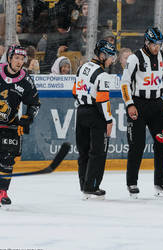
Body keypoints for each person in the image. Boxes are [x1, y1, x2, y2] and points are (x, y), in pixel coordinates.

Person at [0, 44, 40, 208]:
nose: (19, 62)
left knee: (7, 159)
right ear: (10, 58)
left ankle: (2, 193)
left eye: (22, 59)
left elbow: (34, 104)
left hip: (9, 125)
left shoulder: (26, 81)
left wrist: (26, 119)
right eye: (16, 58)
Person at [120, 27, 163, 198]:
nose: (157, 47)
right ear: (146, 42)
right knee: (137, 145)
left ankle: (160, 183)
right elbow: (125, 83)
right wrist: (129, 104)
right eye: (154, 44)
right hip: (138, 104)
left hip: (157, 104)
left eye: (160, 44)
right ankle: (132, 183)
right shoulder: (135, 58)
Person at [72, 39, 117, 199]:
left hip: (81, 112)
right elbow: (103, 100)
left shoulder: (81, 67)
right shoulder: (102, 75)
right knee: (98, 152)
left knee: (83, 151)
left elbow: (74, 92)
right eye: (111, 56)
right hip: (96, 115)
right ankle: (92, 186)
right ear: (103, 55)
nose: (113, 59)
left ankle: (84, 184)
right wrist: (109, 120)